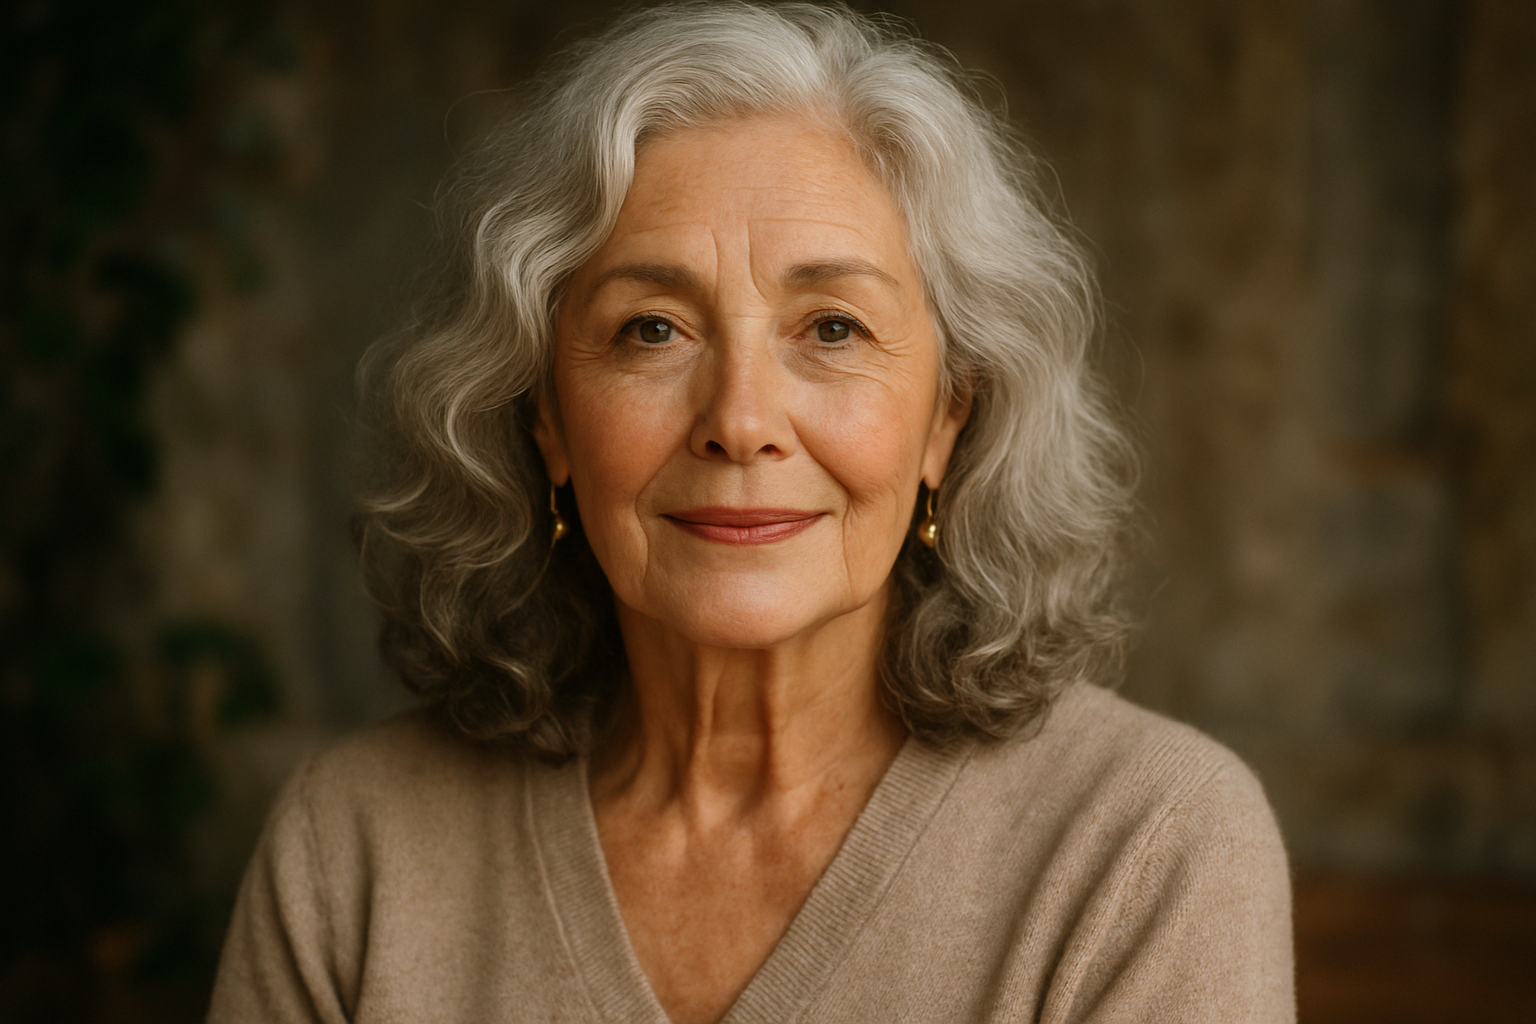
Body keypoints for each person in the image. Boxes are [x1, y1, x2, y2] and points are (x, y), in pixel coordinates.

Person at [207, 4, 1294, 1022]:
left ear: (947, 418)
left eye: (833, 329)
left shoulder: (1146, 843)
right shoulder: (353, 843)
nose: (740, 421)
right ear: (545, 416)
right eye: (651, 329)